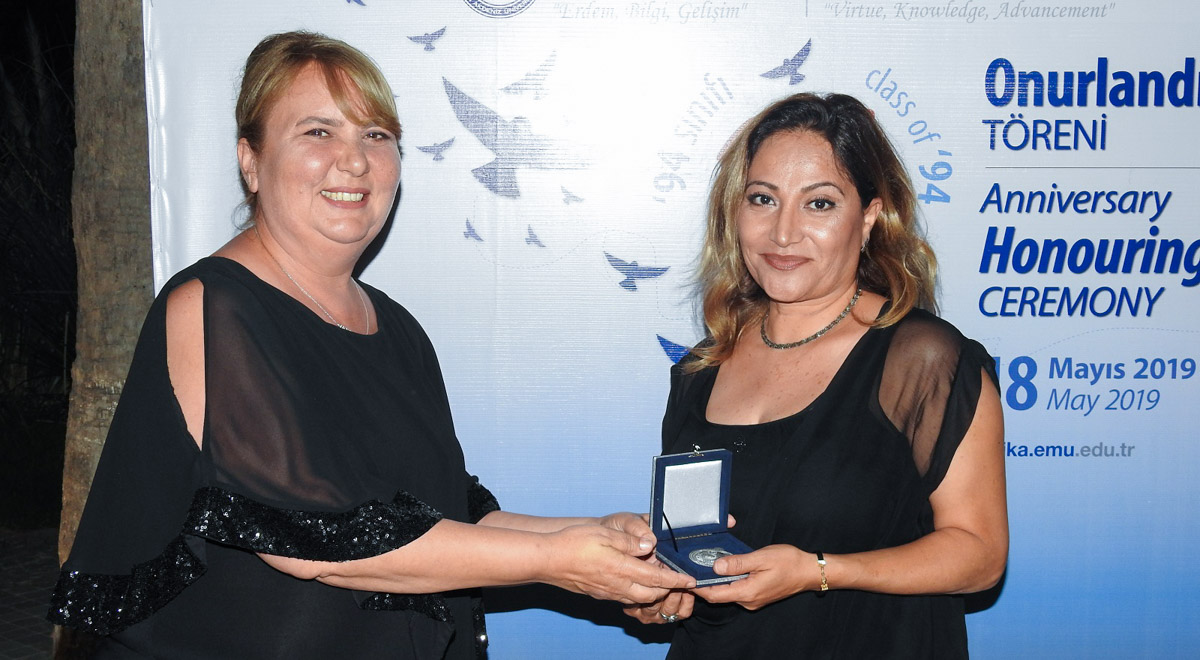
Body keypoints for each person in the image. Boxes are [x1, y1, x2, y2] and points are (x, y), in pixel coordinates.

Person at [48, 31, 692, 659]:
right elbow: (318, 541)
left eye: (376, 135)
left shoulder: (397, 327)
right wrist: (557, 560)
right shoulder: (215, 306)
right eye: (317, 131)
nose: (354, 160)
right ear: (250, 160)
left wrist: (601, 540)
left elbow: (446, 513)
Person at [624, 93, 1008, 658]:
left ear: (870, 216)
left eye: (819, 204)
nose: (783, 233)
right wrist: (664, 590)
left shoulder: (922, 360)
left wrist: (819, 571)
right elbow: (697, 543)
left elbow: (980, 556)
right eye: (763, 199)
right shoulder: (702, 367)